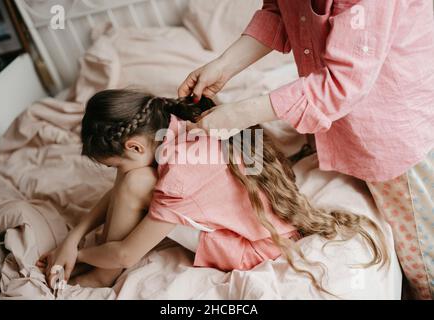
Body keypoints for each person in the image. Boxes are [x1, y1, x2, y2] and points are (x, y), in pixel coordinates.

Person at [178, 0, 434, 300]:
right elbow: (283, 12)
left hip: (396, 128)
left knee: (422, 259)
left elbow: (340, 83)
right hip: (345, 120)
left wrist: (236, 116)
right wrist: (223, 66)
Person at [36, 89, 387, 292]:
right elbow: (123, 188)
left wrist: (79, 256)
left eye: (115, 165)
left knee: (136, 181)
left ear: (134, 147)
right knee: (135, 179)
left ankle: (101, 271)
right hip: (249, 214)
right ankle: (97, 255)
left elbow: (128, 255)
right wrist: (73, 238)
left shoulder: (179, 176)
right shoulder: (170, 125)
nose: (117, 176)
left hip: (249, 247)